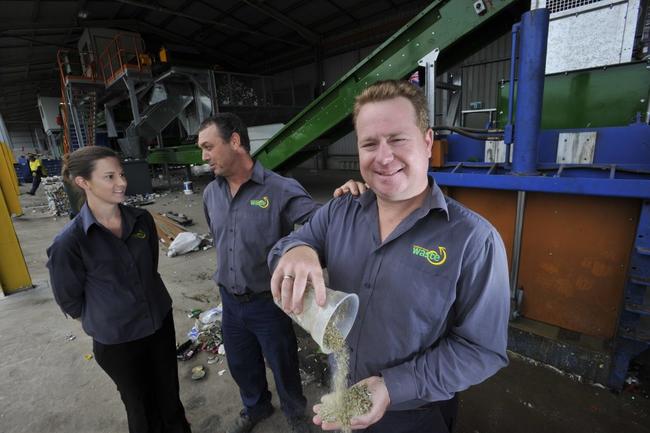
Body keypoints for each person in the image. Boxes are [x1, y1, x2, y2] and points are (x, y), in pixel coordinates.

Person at [269, 80, 510, 433]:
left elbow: (483, 350)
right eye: (370, 143)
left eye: (398, 139)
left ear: (427, 142)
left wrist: (392, 386)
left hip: (415, 413)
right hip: (342, 396)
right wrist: (298, 249)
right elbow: (284, 250)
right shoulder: (340, 211)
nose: (383, 157)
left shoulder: (474, 240)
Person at [198, 113, 365, 433]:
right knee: (240, 363)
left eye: (208, 147)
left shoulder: (280, 189)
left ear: (235, 142)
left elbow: (324, 227)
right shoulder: (210, 194)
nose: (203, 156)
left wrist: (347, 200)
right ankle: (256, 406)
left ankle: (295, 413)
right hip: (230, 302)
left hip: (268, 302)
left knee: (283, 362)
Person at [46, 146, 191, 433]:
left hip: (158, 324)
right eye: (109, 177)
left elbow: (150, 266)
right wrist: (110, 315)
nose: (121, 183)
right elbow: (69, 300)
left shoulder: (142, 220)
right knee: (140, 407)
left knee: (170, 397)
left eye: (121, 174)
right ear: (83, 182)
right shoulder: (70, 242)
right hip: (118, 341)